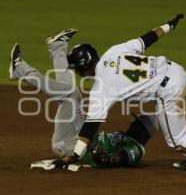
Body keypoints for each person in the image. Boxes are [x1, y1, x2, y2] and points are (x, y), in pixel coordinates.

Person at [60, 14, 186, 174]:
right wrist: (169, 26)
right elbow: (146, 39)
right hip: (175, 71)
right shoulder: (113, 51)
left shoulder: (101, 87)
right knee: (173, 127)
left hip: (168, 88)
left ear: (84, 66)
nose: (77, 73)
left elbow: (90, 127)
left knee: (177, 140)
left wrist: (74, 154)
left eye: (77, 69)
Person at [8, 29, 157, 168]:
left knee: (72, 95)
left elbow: (115, 159)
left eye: (137, 123)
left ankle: (20, 71)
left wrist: (104, 156)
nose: (132, 123)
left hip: (69, 144)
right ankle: (57, 46)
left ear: (142, 131)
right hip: (77, 135)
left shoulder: (135, 148)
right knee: (70, 91)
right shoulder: (125, 137)